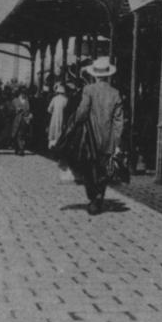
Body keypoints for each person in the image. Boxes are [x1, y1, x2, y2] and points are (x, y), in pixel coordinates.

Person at [71, 56, 124, 215]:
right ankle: (99, 195)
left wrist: (75, 121)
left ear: (94, 75)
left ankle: (93, 198)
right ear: (108, 75)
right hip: (107, 139)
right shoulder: (115, 93)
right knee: (103, 169)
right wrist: (117, 142)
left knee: (88, 168)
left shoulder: (89, 90)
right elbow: (119, 120)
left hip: (90, 138)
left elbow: (82, 113)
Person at [46, 83, 68, 151]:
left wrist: (53, 113)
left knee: (53, 130)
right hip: (62, 118)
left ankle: (51, 145)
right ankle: (58, 145)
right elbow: (67, 110)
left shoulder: (54, 99)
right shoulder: (66, 100)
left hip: (54, 117)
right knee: (60, 130)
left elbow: (49, 109)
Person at [11, 87, 32, 156]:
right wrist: (16, 110)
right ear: (20, 93)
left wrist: (28, 115)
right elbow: (11, 110)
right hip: (16, 119)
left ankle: (21, 149)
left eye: (25, 93)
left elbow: (28, 110)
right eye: (23, 93)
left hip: (24, 120)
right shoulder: (15, 100)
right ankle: (17, 148)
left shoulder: (26, 101)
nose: (24, 95)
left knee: (21, 134)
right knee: (16, 134)